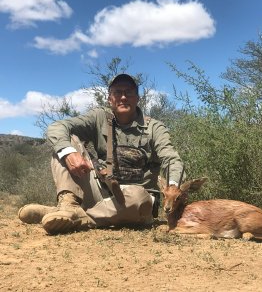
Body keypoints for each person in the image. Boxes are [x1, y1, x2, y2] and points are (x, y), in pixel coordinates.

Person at [18, 73, 185, 235]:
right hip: (101, 190)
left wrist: (173, 186)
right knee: (65, 142)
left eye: (129, 92)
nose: (123, 97)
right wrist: (69, 153)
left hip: (133, 200)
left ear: (137, 98)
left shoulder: (155, 127)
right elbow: (57, 127)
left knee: (138, 198)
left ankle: (75, 216)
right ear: (109, 98)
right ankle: (68, 206)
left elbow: (171, 159)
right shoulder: (99, 117)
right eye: (117, 92)